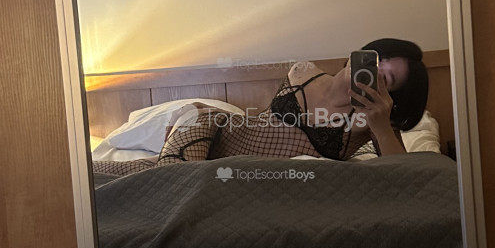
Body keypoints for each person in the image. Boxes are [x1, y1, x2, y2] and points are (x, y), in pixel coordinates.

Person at [95, 38, 428, 177]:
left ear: (390, 97)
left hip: (226, 168)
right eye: (378, 58)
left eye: (387, 78)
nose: (376, 69)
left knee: (129, 174)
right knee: (170, 179)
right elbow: (262, 122)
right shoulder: (303, 72)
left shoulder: (370, 119)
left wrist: (381, 123)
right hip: (213, 127)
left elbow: (404, 177)